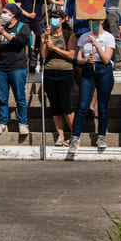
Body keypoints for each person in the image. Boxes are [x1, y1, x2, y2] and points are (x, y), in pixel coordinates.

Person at [67, 17, 115, 153]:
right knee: (82, 104)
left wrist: (97, 45)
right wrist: (86, 60)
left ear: (101, 20)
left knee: (103, 105)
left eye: (94, 20)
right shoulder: (83, 37)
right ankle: (75, 137)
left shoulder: (108, 37)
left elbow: (106, 59)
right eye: (90, 20)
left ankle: (101, 136)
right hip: (88, 70)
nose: (91, 22)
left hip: (104, 71)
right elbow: (79, 58)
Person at [0, 4, 32, 135]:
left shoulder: (23, 27)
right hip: (1, 66)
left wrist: (4, 34)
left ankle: (23, 123)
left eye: (5, 12)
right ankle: (3, 122)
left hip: (17, 67)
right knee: (2, 97)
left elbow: (19, 43)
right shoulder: (1, 28)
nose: (2, 14)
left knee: (20, 96)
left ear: (13, 14)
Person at [40, 9, 76, 147]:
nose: (54, 20)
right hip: (50, 72)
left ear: (62, 20)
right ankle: (60, 136)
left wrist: (54, 48)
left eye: (57, 18)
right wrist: (45, 41)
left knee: (66, 105)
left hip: (65, 72)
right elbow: (43, 55)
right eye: (52, 18)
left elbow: (71, 55)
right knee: (55, 106)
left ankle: (74, 134)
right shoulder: (45, 35)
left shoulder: (69, 35)